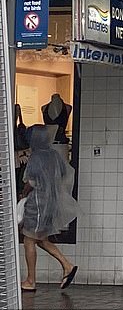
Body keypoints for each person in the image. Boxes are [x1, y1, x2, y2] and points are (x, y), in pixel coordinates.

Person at [20, 125, 79, 292]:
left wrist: (23, 193)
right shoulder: (54, 155)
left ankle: (30, 280)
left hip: (37, 204)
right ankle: (67, 266)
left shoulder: (36, 157)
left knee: (29, 240)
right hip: (50, 202)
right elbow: (63, 173)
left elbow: (30, 182)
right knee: (41, 239)